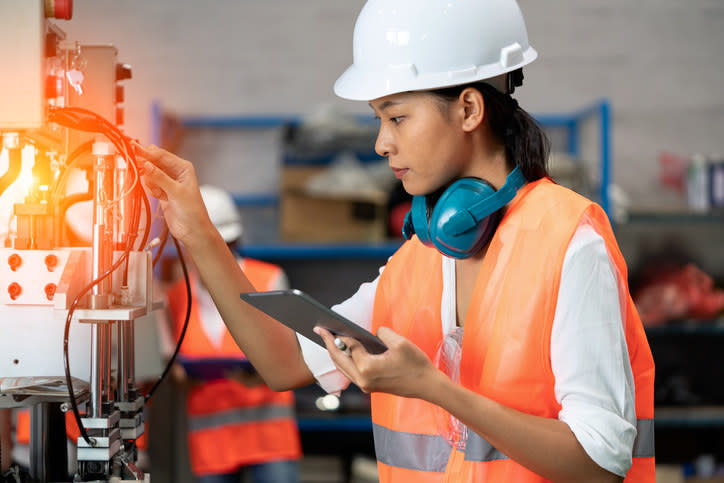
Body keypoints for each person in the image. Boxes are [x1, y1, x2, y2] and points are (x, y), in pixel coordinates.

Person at [137, 0, 655, 481]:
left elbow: (599, 462)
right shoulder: (418, 260)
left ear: (470, 110)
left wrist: (434, 390)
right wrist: (198, 232)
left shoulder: (569, 242)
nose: (382, 142)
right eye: (380, 119)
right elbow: (280, 362)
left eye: (397, 116)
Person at [165, 185, 301, 483]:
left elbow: (292, 356)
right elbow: (174, 366)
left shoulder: (268, 279)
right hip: (212, 441)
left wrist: (264, 369)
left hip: (267, 436)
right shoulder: (179, 295)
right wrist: (185, 374)